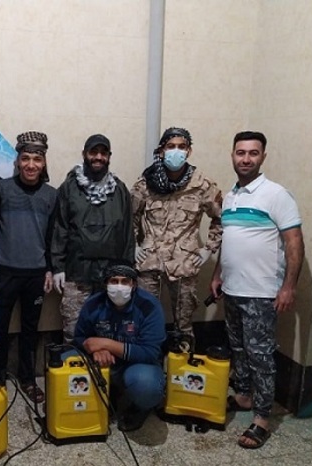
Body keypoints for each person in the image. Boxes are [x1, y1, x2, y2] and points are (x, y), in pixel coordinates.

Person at [210, 131, 304, 449]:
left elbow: (294, 242)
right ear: (232, 155)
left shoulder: (276, 195)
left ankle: (262, 417)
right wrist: (217, 274)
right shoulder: (231, 197)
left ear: (263, 156)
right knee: (238, 348)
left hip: (262, 293)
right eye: (241, 152)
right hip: (233, 290)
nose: (246, 159)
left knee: (260, 355)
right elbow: (229, 240)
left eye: (253, 153)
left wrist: (288, 286)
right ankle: (244, 396)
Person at [0, 131, 57, 403]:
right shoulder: (1, 189)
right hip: (4, 272)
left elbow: (53, 237)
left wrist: (50, 268)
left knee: (30, 329)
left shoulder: (51, 195)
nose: (31, 165)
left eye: (37, 159)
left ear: (44, 163)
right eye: (25, 158)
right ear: (17, 161)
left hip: (36, 274)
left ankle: (27, 378)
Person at [131, 127, 222, 346]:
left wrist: (209, 248)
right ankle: (147, 358)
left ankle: (182, 360)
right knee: (143, 317)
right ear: (162, 150)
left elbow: (220, 218)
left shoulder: (202, 185)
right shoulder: (146, 182)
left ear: (189, 151)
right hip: (150, 261)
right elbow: (130, 216)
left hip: (184, 262)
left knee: (184, 321)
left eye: (182, 147)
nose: (176, 151)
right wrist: (133, 245)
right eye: (171, 146)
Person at [51, 134, 135, 343]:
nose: (98, 157)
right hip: (76, 274)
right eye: (93, 152)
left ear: (109, 157)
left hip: (112, 276)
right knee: (73, 330)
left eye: (103, 153)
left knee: (109, 329)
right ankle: (74, 362)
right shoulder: (68, 188)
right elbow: (59, 228)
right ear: (84, 154)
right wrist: (57, 267)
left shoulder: (119, 190)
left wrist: (127, 272)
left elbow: (127, 233)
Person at [74, 264, 166, 432]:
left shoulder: (149, 306)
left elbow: (150, 352)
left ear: (134, 284)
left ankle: (140, 407)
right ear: (105, 284)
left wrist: (106, 344)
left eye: (125, 282)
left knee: (147, 385)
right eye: (114, 281)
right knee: (66, 362)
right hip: (102, 362)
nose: (119, 286)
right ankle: (109, 395)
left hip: (136, 364)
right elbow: (80, 338)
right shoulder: (93, 304)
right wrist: (96, 349)